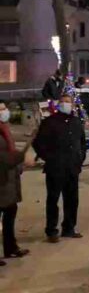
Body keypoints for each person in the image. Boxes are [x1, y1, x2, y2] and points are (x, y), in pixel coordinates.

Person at [33, 94, 86, 242]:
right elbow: (38, 143)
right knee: (53, 199)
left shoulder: (76, 122)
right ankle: (51, 230)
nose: (64, 104)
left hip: (72, 167)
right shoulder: (49, 122)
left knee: (72, 199)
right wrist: (49, 157)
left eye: (67, 102)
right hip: (55, 168)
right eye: (62, 102)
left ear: (73, 105)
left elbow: (82, 142)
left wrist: (80, 158)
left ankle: (69, 228)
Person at [0, 101, 30, 263]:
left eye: (4, 108)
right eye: (0, 110)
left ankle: (10, 247)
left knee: (10, 212)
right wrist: (21, 158)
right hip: (2, 180)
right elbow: (4, 158)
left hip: (8, 180)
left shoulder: (4, 128)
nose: (4, 112)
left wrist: (18, 165)